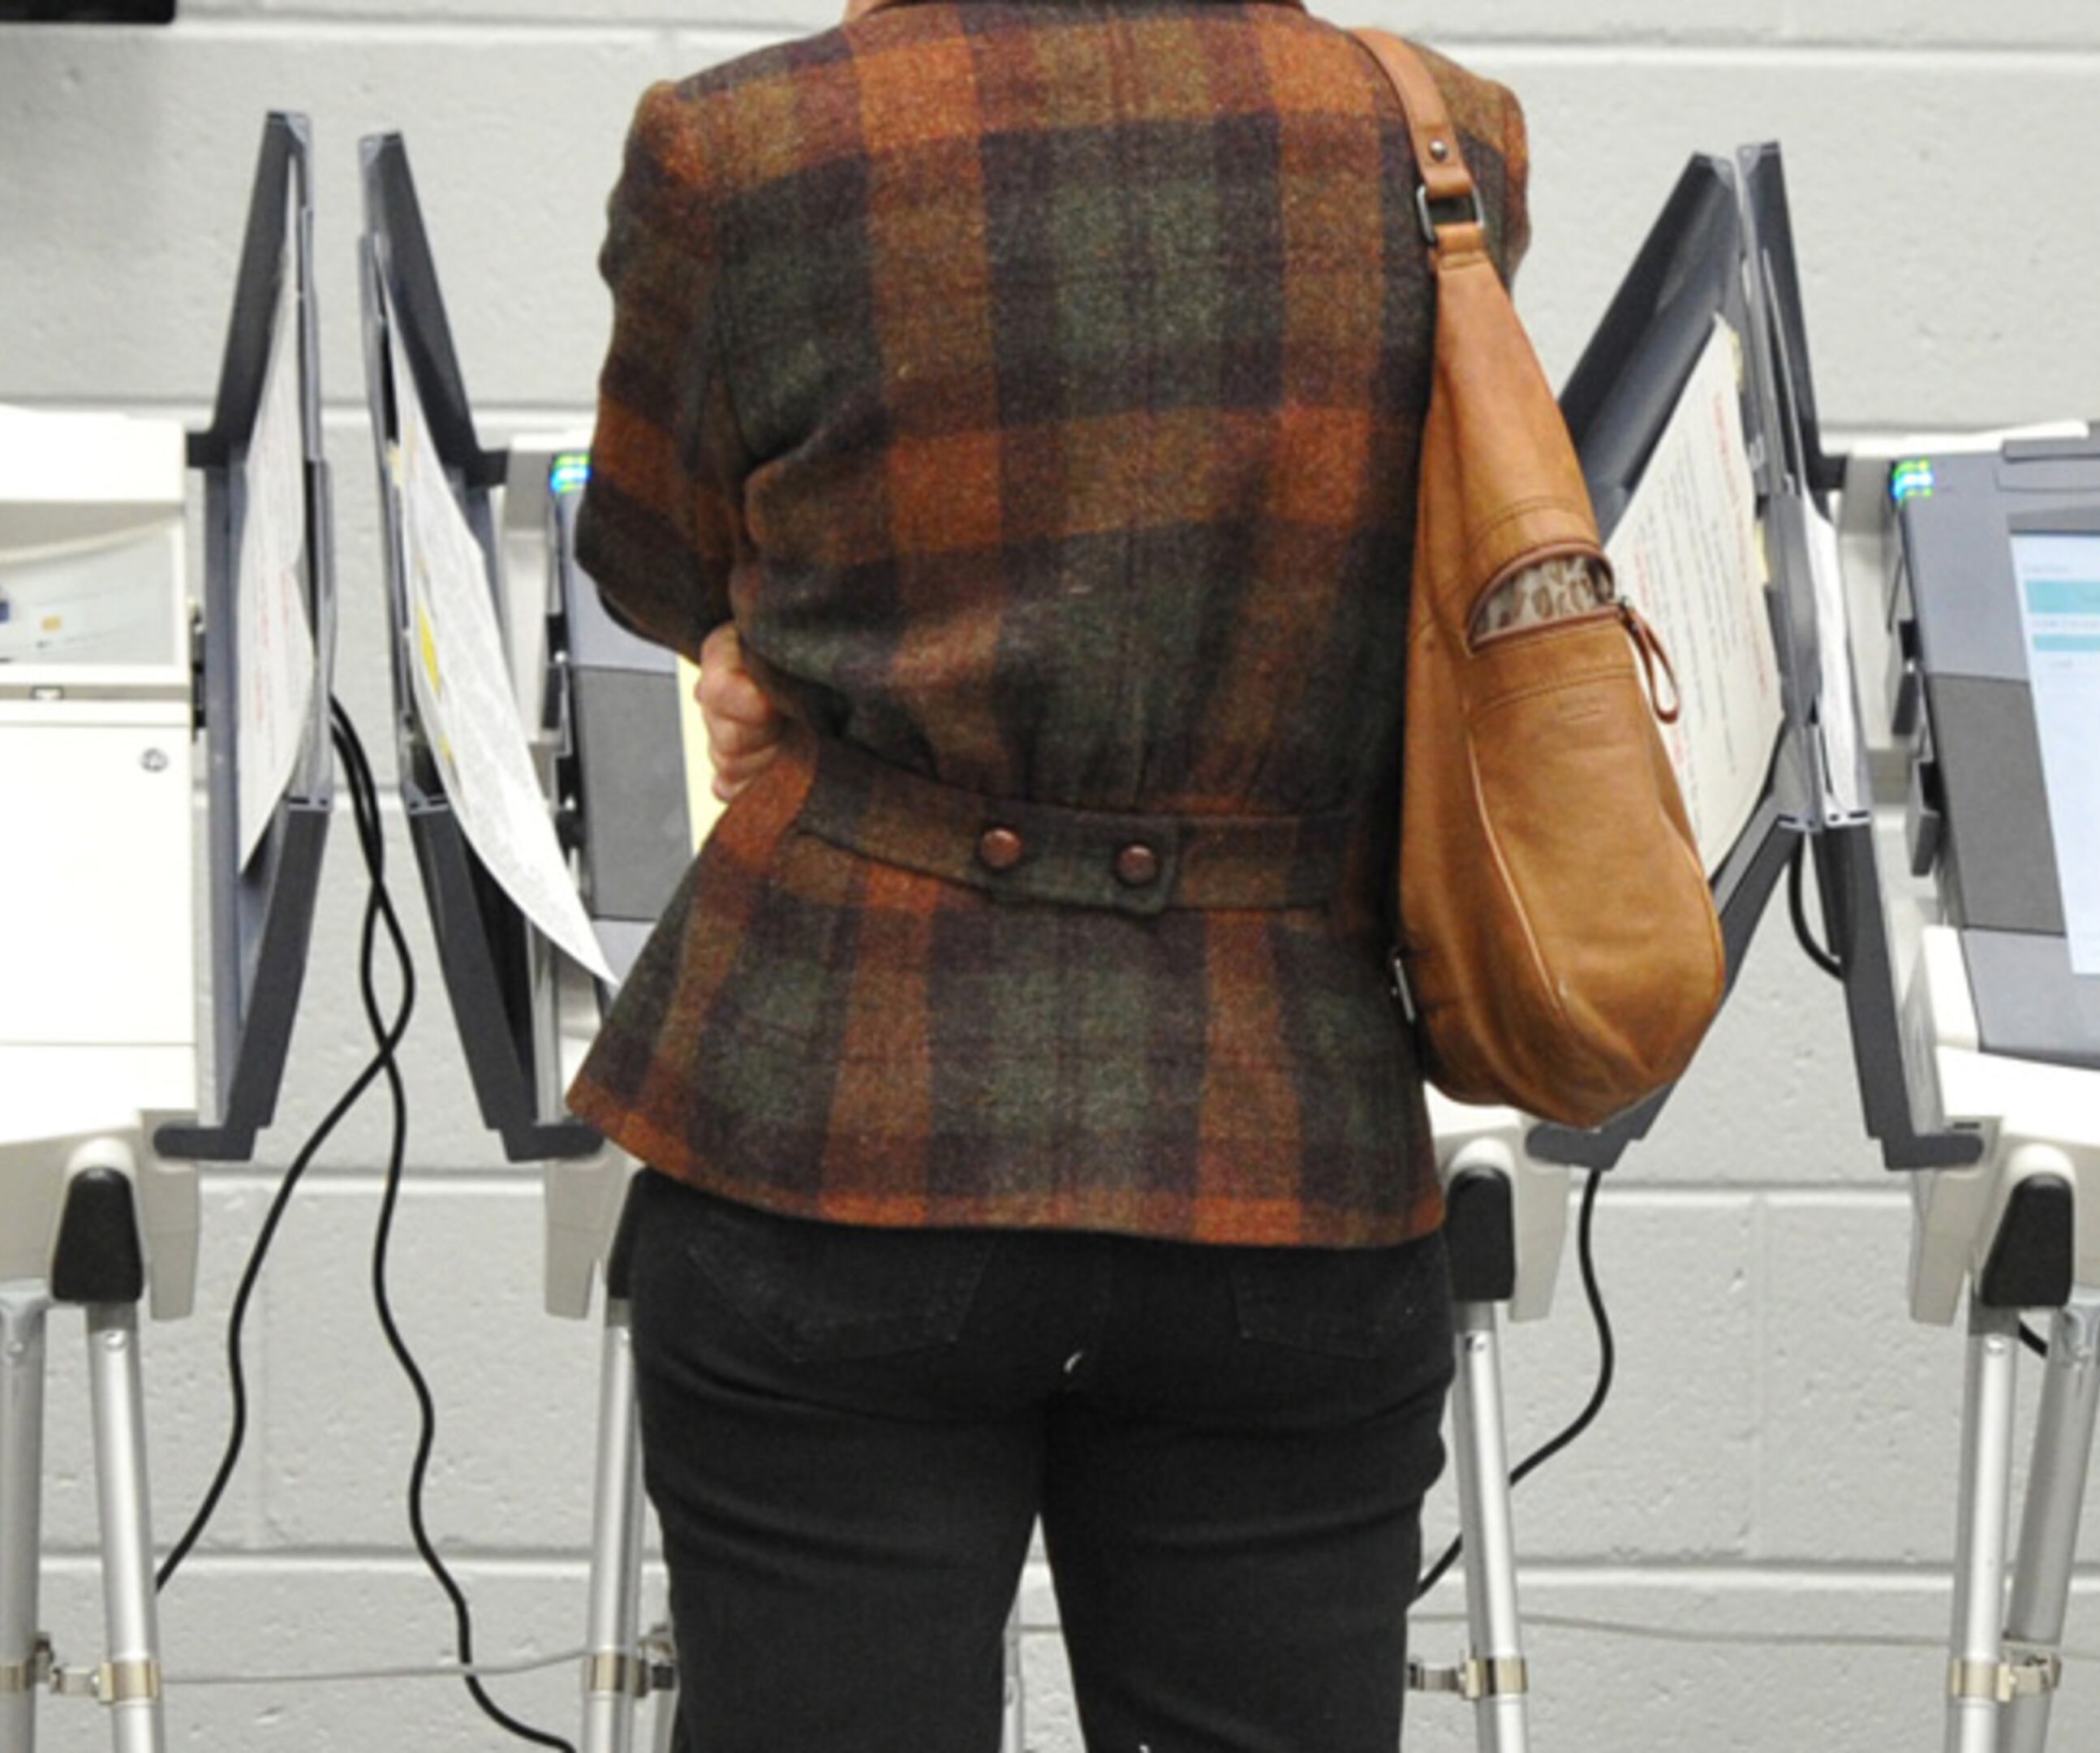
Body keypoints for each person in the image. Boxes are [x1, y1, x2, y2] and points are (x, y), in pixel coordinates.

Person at [563, 3, 1530, 1750]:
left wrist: (796, 659)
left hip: (837, 1109)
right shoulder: (1440, 134)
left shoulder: (747, 142)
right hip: (1284, 1129)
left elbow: (651, 554)